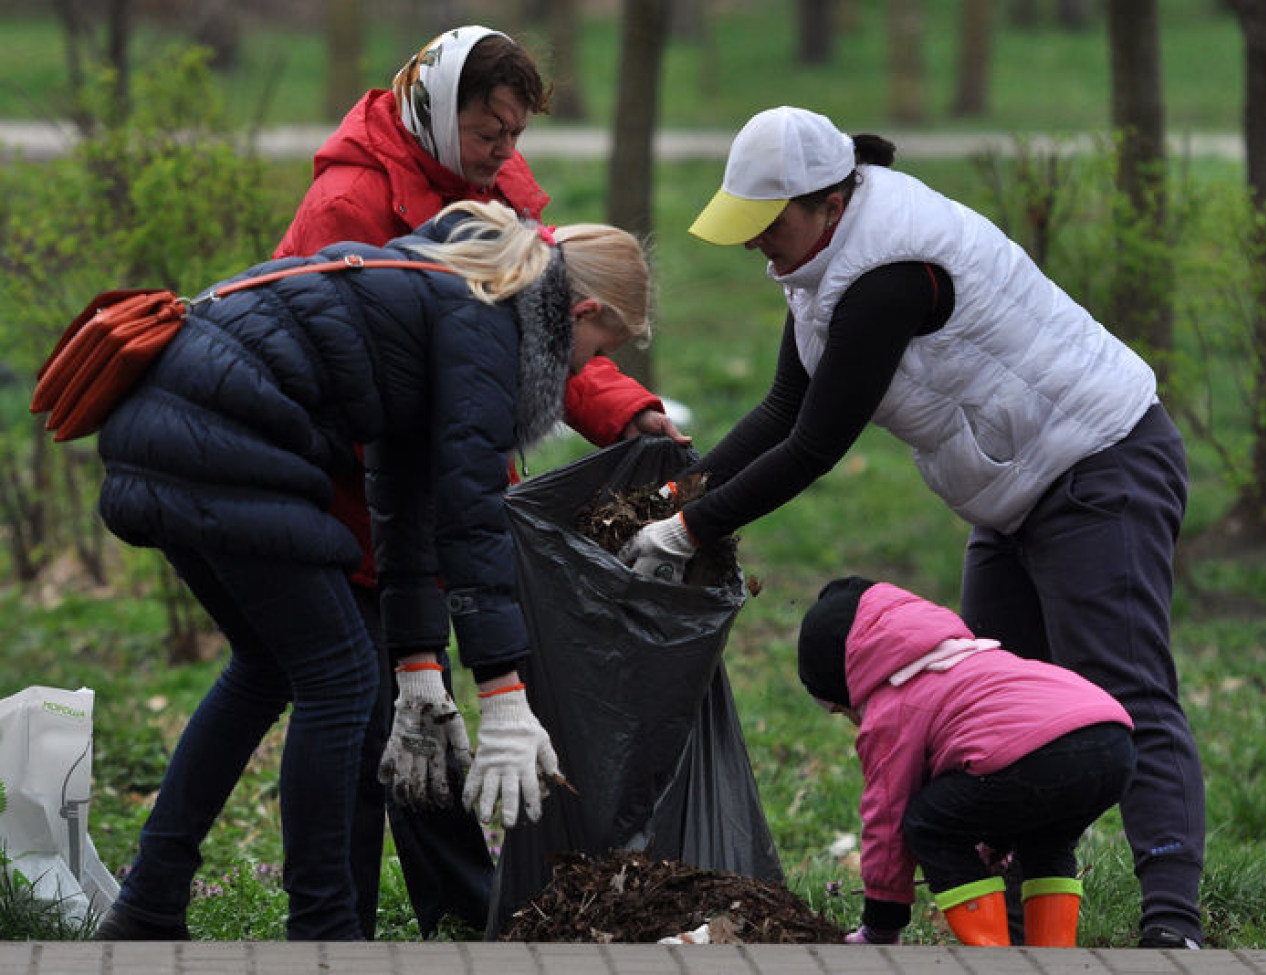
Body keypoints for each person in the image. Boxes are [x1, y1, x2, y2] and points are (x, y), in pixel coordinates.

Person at [619, 105, 1206, 950]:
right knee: (996, 719)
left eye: (767, 223)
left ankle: (1175, 927)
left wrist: (688, 530)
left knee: (1124, 687)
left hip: (1099, 459)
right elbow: (785, 405)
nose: (756, 244)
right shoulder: (822, 260)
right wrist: (680, 491)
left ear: (825, 200)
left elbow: (819, 442)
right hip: (1011, 492)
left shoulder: (890, 271)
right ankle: (1014, 927)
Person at [86, 199, 651, 941]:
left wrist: (420, 663)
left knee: (266, 668)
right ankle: (323, 932)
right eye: (596, 349)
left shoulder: (447, 287)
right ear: (581, 310)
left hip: (163, 428)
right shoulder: (487, 324)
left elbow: (402, 490)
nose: (585, 369)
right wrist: (504, 696)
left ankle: (149, 904)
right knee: (341, 680)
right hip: (223, 443)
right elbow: (469, 511)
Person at [274, 25, 687, 938]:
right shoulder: (351, 199)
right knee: (373, 712)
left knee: (428, 711)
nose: (508, 151)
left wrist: (624, 410)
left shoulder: (489, 193)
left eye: (516, 134)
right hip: (355, 505)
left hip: (450, 491)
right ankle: (333, 922)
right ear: (436, 108)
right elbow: (329, 371)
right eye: (491, 130)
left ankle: (464, 909)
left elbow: (541, 340)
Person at [797, 576, 1135, 947]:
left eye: (844, 712)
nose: (854, 722)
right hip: (1111, 739)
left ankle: (989, 958)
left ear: (850, 682)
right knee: (1046, 842)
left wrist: (882, 924)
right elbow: (1005, 750)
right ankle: (1054, 956)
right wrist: (997, 836)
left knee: (928, 823)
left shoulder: (892, 706)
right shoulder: (970, 660)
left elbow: (888, 816)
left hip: (1042, 753)